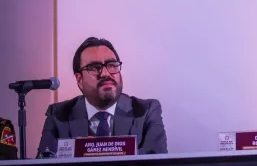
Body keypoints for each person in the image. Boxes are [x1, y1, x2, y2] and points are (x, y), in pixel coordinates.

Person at [36, 37, 168, 157]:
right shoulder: (58, 115)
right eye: (94, 67)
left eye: (112, 65)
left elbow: (156, 163)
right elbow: (43, 164)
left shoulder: (146, 111)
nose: (105, 73)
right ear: (79, 79)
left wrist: (101, 152)